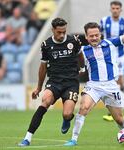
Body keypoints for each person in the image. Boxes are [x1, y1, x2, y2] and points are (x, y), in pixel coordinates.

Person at [63, 13, 124, 146]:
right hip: (93, 86)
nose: (94, 38)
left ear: (100, 34)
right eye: (91, 36)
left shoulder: (111, 43)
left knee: (119, 120)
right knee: (83, 108)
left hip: (111, 86)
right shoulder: (83, 51)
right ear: (86, 37)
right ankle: (73, 139)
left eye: (96, 35)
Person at [18, 17, 85, 146]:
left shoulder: (74, 41)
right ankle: (27, 138)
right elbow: (42, 67)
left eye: (64, 32)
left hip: (71, 82)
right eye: (59, 32)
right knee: (45, 101)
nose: (62, 35)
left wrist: (82, 68)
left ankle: (67, 119)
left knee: (66, 114)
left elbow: (80, 55)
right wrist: (38, 88)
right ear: (53, 30)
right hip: (54, 82)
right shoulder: (46, 45)